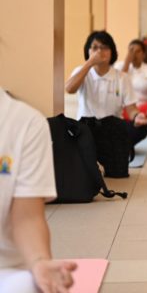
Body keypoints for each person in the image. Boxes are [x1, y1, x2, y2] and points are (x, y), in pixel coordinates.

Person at [0, 89, 77, 293]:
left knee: (25, 286)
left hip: (5, 268)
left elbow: (26, 217)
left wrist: (39, 261)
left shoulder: (25, 123)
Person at [65, 31, 147, 146]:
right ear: (88, 51)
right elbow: (69, 89)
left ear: (112, 52)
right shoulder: (82, 71)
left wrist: (137, 117)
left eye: (104, 47)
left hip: (112, 128)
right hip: (87, 127)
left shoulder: (122, 77)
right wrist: (89, 63)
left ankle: (114, 147)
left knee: (142, 127)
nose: (99, 51)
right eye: (94, 47)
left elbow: (131, 110)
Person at [114, 39, 147, 121]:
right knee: (116, 110)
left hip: (142, 105)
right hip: (125, 106)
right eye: (131, 51)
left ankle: (136, 117)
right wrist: (127, 61)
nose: (134, 54)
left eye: (137, 51)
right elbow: (119, 82)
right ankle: (138, 117)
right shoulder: (119, 66)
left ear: (143, 54)